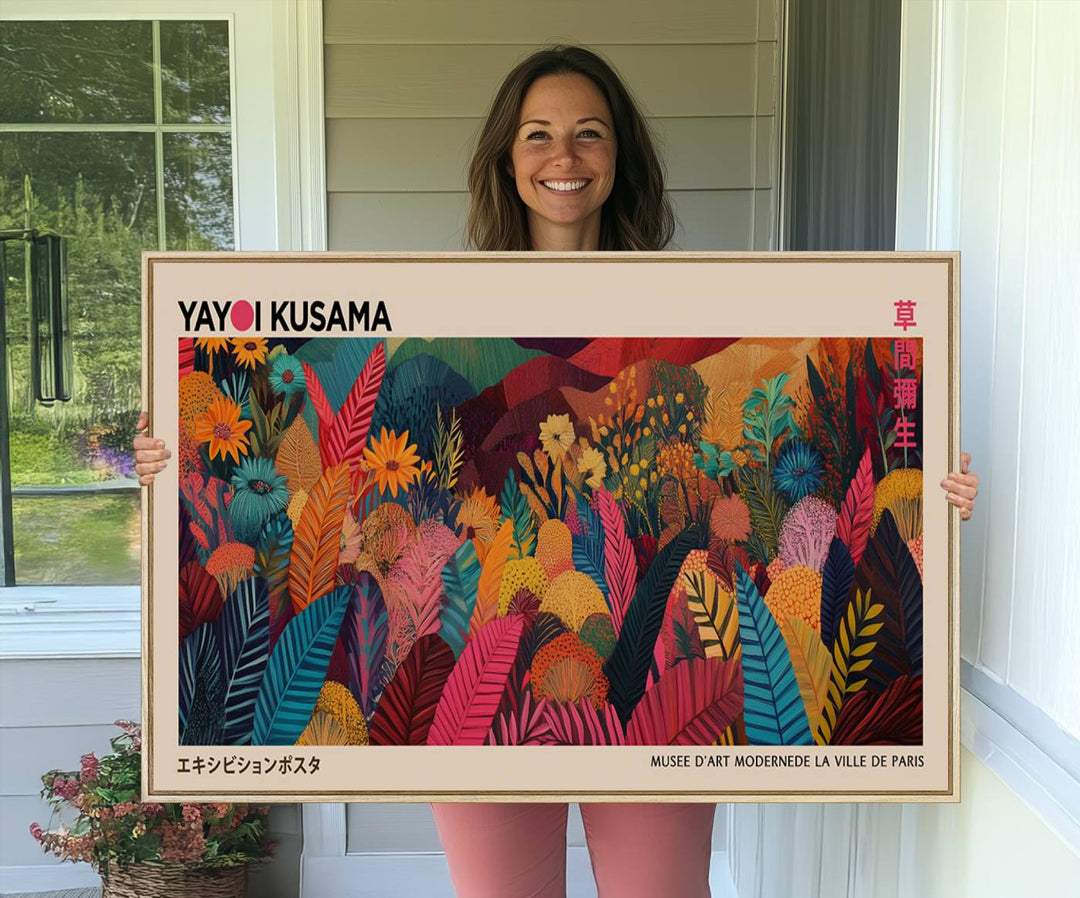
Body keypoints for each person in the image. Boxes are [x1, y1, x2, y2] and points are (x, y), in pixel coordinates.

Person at [134, 45, 979, 898]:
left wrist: (927, 492)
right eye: (538, 135)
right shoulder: (432, 312)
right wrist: (175, 461)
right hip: (481, 680)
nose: (563, 157)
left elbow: (824, 446)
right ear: (508, 158)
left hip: (652, 684)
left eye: (588, 134)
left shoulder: (702, 307)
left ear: (619, 159)